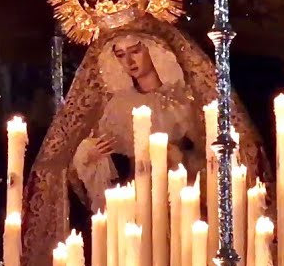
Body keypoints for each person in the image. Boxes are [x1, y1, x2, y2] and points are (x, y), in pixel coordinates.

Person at [69, 34, 202, 209]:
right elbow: (99, 150)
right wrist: (89, 154)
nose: (129, 61)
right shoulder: (118, 105)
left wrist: (177, 157)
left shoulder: (180, 100)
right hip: (134, 199)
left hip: (176, 195)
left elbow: (205, 152)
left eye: (135, 51)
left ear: (153, 50)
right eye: (121, 55)